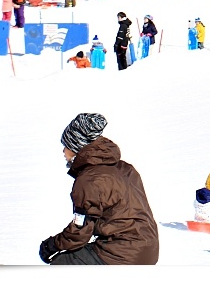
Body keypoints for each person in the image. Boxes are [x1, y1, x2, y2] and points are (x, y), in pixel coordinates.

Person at [39, 113, 159, 265]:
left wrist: (50, 246)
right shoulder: (126, 169)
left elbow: (80, 232)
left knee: (62, 262)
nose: (63, 151)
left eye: (67, 145)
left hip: (120, 254)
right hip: (148, 250)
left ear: (77, 147)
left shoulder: (89, 180)